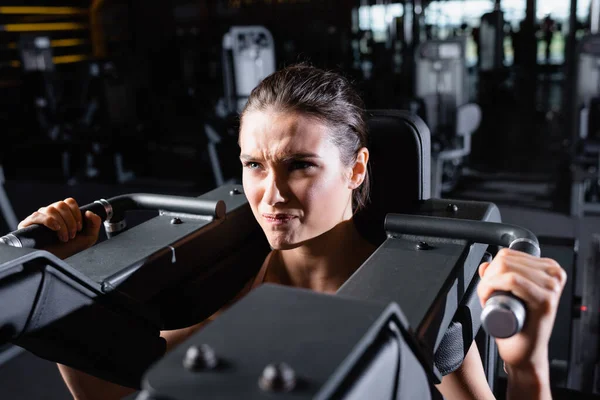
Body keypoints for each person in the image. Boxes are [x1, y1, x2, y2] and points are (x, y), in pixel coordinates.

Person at [19, 64, 566, 400]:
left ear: (355, 170)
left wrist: (528, 369)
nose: (271, 194)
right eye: (255, 165)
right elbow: (111, 390)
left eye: (300, 165)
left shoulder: (418, 296)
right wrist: (64, 279)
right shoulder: (235, 289)